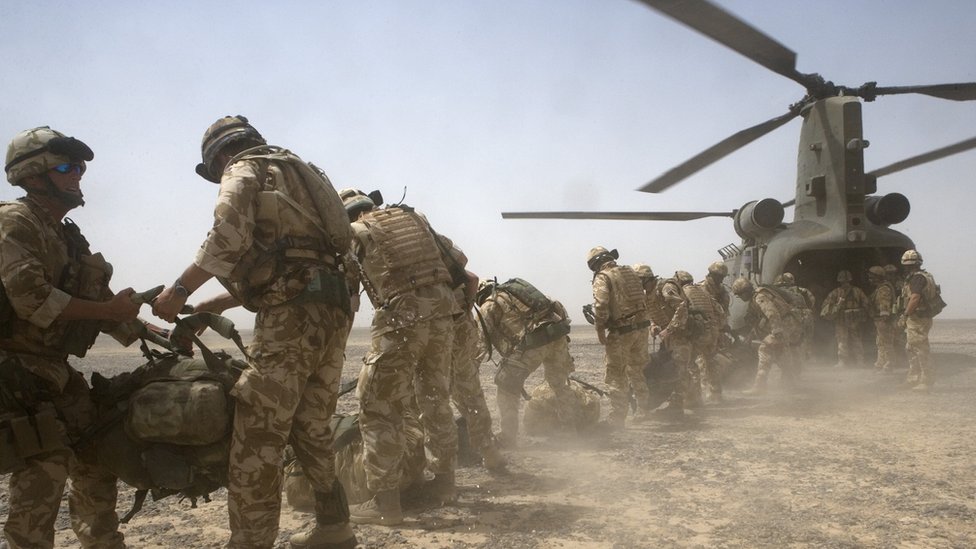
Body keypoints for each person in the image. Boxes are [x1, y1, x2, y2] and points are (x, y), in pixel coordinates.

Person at [152, 116, 357, 549]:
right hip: (332, 310)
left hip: (291, 316)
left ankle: (250, 542)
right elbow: (300, 259)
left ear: (221, 155)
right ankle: (335, 526)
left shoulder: (243, 168)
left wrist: (180, 290)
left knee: (259, 433)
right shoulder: (298, 172)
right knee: (311, 424)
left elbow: (226, 238)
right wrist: (210, 306)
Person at [0, 126, 144, 548]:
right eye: (65, 166)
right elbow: (33, 301)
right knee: (44, 465)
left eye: (79, 167)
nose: (77, 174)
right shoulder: (14, 222)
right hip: (13, 370)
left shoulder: (68, 236)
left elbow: (97, 300)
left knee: (97, 451)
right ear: (31, 175)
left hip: (52, 370)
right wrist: (107, 311)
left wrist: (156, 333)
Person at [340, 188, 459, 526]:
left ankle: (386, 505)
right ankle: (446, 486)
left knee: (378, 406)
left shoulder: (355, 234)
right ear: (370, 204)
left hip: (401, 321)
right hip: (442, 318)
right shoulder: (414, 219)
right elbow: (459, 263)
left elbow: (351, 299)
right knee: (436, 399)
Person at [475, 277, 576, 446]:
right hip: (557, 337)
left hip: (532, 344)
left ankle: (508, 437)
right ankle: (569, 432)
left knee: (507, 388)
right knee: (560, 386)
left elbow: (480, 342)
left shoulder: (489, 304)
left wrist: (471, 368)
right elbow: (558, 308)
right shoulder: (518, 294)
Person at [587, 247, 650, 427]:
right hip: (641, 329)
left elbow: (601, 305)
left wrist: (600, 329)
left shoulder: (603, 276)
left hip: (622, 332)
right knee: (636, 370)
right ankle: (643, 410)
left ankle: (618, 417)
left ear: (595, 264)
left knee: (616, 374)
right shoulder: (630, 272)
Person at [730, 277, 802, 394]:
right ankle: (790, 382)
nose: (741, 298)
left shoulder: (759, 297)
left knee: (765, 348)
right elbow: (756, 321)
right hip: (788, 324)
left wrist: (776, 330)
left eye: (740, 295)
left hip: (785, 325)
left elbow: (772, 313)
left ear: (745, 291)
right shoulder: (755, 298)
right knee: (780, 352)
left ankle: (760, 385)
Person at [898, 249, 944, 391]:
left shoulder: (917, 279)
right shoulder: (925, 276)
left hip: (917, 318)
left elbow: (915, 298)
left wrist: (905, 315)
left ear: (907, 265)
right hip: (920, 317)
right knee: (911, 348)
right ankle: (913, 378)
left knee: (920, 349)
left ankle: (926, 380)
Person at [819, 270, 869, 368]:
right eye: (843, 281)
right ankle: (847, 362)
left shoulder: (842, 292)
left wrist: (862, 314)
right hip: (843, 320)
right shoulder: (849, 291)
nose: (845, 283)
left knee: (854, 340)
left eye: (846, 281)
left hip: (853, 320)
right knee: (844, 341)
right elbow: (826, 306)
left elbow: (866, 304)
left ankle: (857, 362)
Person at [774, 272, 816, 362]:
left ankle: (795, 362)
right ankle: (808, 359)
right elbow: (812, 301)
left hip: (793, 317)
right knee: (807, 339)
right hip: (807, 314)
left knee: (792, 340)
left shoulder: (779, 292)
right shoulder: (802, 290)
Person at [866, 266, 896, 373]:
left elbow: (884, 305)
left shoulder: (884, 289)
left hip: (884, 321)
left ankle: (889, 365)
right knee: (880, 343)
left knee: (887, 343)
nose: (870, 279)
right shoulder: (880, 288)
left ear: (877, 277)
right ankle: (880, 364)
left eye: (871, 277)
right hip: (880, 320)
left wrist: (884, 320)